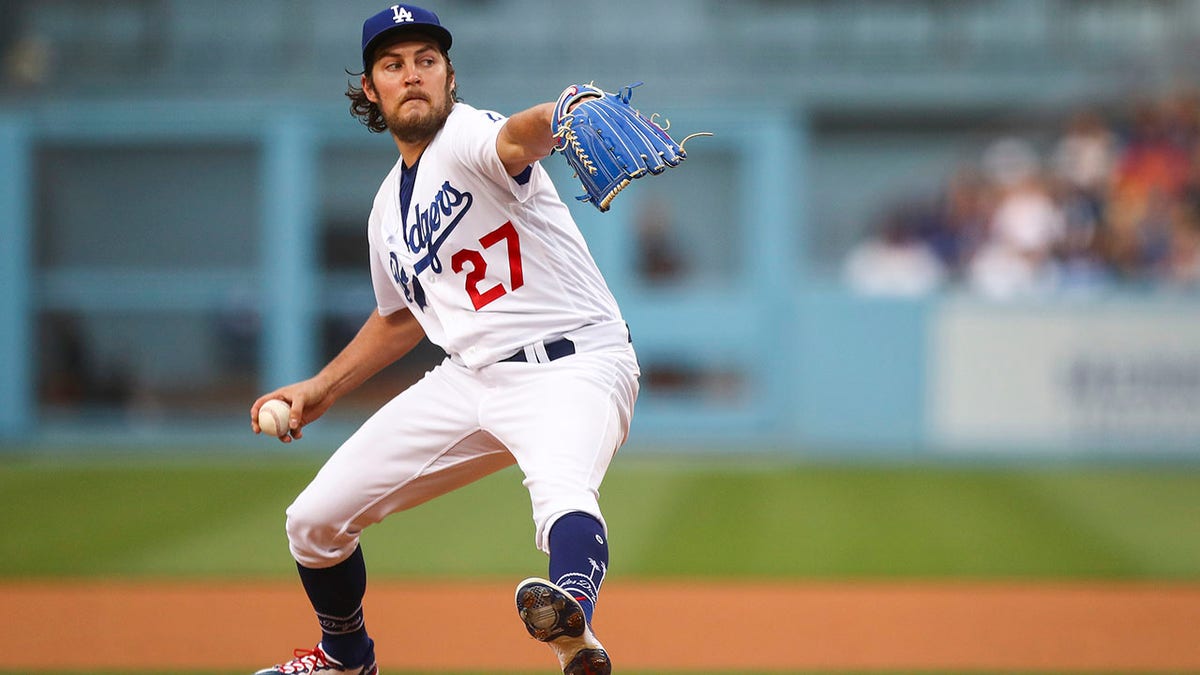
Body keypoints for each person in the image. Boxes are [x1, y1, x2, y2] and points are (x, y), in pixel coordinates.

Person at [249, 5, 639, 675]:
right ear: (371, 89)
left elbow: (519, 135)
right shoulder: (385, 212)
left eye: (427, 60)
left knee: (563, 493)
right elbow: (400, 318)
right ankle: (346, 657)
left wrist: (564, 113)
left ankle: (573, 623)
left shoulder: (466, 135)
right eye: (393, 65)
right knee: (313, 520)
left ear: (449, 76)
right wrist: (321, 388)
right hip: (470, 379)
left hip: (573, 361)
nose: (413, 75)